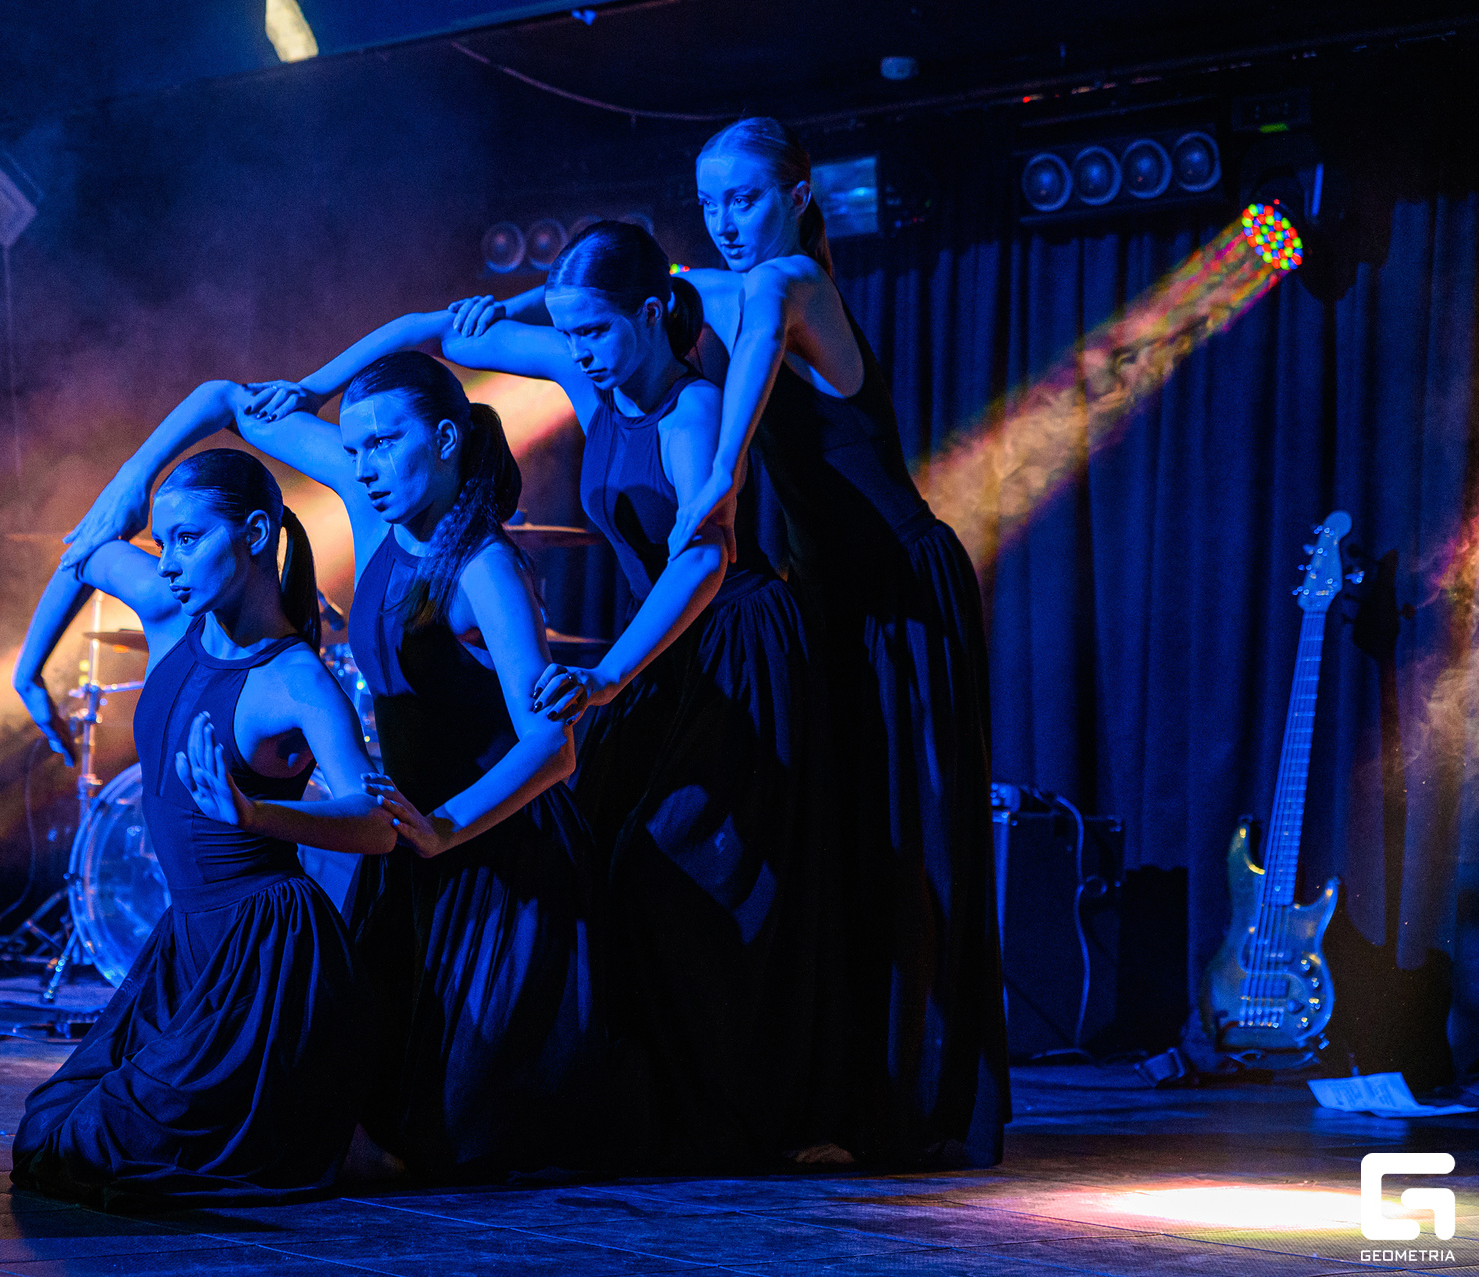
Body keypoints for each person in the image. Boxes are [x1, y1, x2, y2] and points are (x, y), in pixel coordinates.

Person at [253, 221, 843, 1171]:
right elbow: (432, 331)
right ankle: (658, 1098)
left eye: (595, 331)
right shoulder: (583, 374)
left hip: (727, 642)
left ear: (652, 313)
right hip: (655, 653)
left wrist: (607, 675)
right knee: (621, 875)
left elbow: (704, 559)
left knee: (686, 878)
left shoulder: (691, 410)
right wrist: (319, 383)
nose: (579, 352)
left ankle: (741, 1110)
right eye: (567, 333)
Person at [64, 355, 605, 1180]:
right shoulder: (367, 500)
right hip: (405, 836)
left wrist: (445, 827)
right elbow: (223, 398)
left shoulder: (485, 567)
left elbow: (553, 746)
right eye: (354, 448)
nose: (365, 466)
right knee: (362, 1112)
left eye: (385, 443)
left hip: (490, 846)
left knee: (461, 1140)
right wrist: (134, 481)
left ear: (447, 439)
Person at [667, 116, 1010, 1169]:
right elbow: (612, 300)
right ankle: (845, 1092)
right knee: (844, 846)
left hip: (899, 594)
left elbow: (756, 339)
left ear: (799, 197)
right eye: (710, 203)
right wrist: (439, 325)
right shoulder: (727, 285)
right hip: (828, 601)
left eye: (745, 198)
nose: (726, 222)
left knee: (908, 838)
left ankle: (918, 1103)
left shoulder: (790, 283)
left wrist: (721, 477)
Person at [11, 446, 401, 1208]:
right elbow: (86, 546)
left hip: (266, 953)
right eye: (163, 542)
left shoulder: (297, 679)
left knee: (96, 1149)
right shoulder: (168, 612)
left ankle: (343, 1138)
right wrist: (29, 669)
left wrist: (259, 814)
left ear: (255, 534)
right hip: (186, 944)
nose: (169, 563)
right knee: (48, 1133)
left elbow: (377, 824)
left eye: (188, 539)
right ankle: (328, 1134)